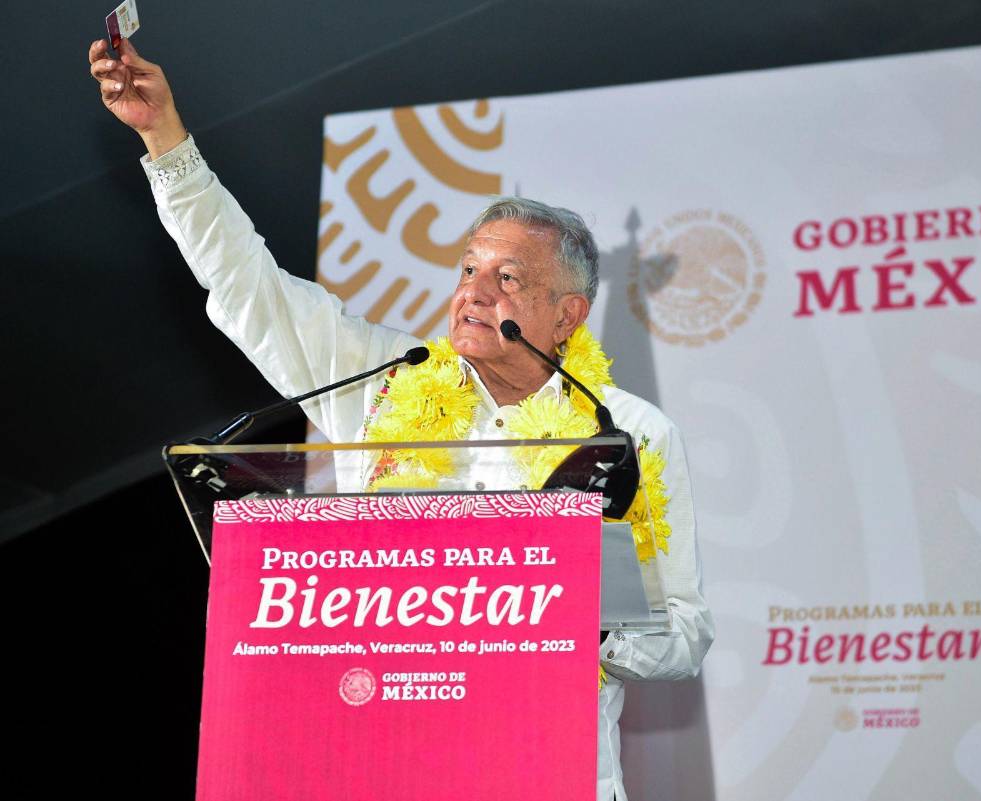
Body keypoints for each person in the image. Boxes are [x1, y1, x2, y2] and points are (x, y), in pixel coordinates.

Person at [89, 38, 713, 801]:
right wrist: (165, 140)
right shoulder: (386, 381)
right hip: (389, 765)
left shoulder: (628, 433)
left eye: (508, 278)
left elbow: (686, 630)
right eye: (469, 269)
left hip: (553, 772)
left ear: (567, 315)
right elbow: (248, 285)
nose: (474, 292)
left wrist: (596, 622)